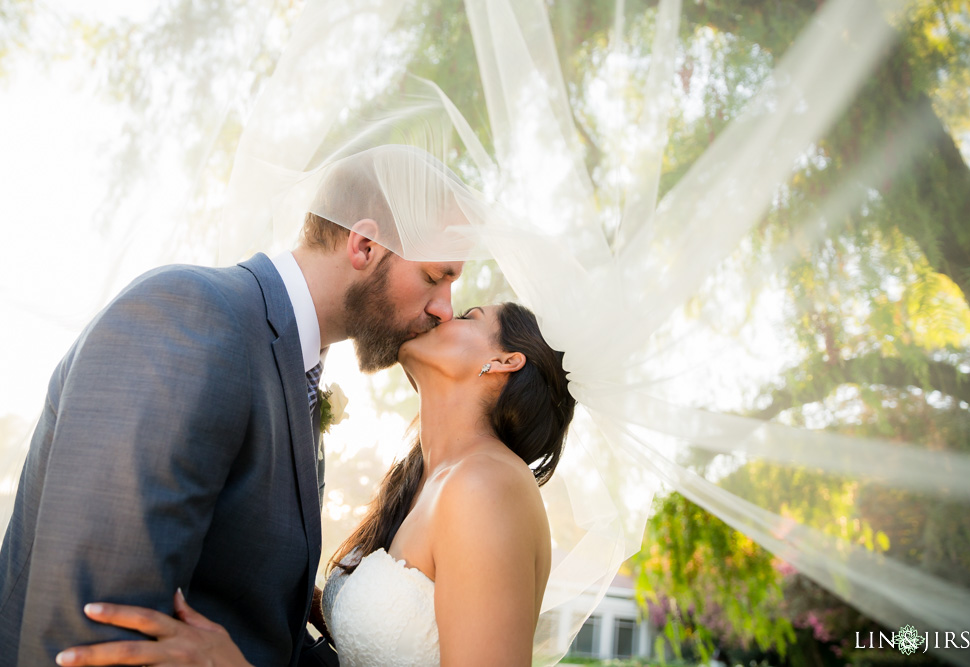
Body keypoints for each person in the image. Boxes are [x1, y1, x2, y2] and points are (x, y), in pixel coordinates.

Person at [0, 147, 468, 666]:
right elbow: (94, 630)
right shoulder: (191, 315)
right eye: (434, 276)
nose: (444, 309)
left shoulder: (295, 371)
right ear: (363, 245)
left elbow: (265, 628)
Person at [55, 301, 575, 666]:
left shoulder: (489, 487)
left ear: (506, 361)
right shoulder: (427, 482)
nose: (442, 311)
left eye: (468, 316)